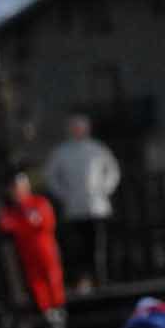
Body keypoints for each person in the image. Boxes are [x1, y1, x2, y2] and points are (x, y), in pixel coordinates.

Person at [44, 115, 120, 289]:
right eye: (75, 128)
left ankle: (102, 280)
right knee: (78, 248)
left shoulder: (97, 149)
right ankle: (84, 281)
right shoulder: (62, 152)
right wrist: (64, 194)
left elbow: (113, 171)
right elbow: (51, 177)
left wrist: (104, 189)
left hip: (97, 207)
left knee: (98, 246)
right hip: (74, 209)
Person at [0, 171, 66, 327]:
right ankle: (47, 310)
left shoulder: (40, 202)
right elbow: (7, 225)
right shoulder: (12, 210)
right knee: (36, 281)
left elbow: (41, 223)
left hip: (44, 247)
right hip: (27, 251)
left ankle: (58, 306)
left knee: (52, 275)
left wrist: (22, 225)